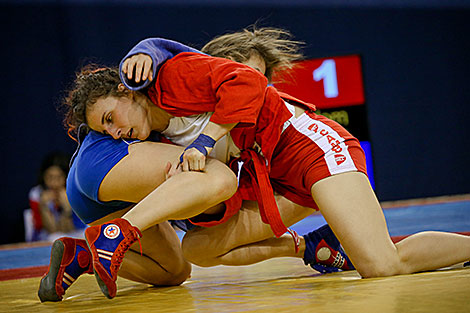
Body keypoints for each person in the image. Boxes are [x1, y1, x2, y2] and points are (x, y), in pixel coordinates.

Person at [87, 34, 470, 284]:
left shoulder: (174, 77)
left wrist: (148, 50)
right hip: (271, 174)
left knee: (382, 265)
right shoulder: (157, 127)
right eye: (105, 131)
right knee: (197, 249)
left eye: (110, 119)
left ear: (127, 91)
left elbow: (245, 81)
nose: (115, 133)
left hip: (307, 147)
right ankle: (314, 248)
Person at [39, 27, 350, 301]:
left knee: (175, 270)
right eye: (245, 71)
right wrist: (147, 49)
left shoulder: (213, 124)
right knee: (218, 179)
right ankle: (118, 232)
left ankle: (83, 254)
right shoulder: (176, 85)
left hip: (100, 194)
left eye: (262, 78)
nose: (257, 87)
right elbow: (168, 55)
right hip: (104, 161)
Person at [28, 152, 85, 242]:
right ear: (43, 176)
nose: (54, 183)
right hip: (47, 237)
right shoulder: (36, 194)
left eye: (58, 178)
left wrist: (67, 209)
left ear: (66, 176)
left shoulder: (74, 192)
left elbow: (68, 229)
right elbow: (52, 230)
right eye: (49, 177)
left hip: (74, 232)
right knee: (55, 238)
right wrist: (43, 207)